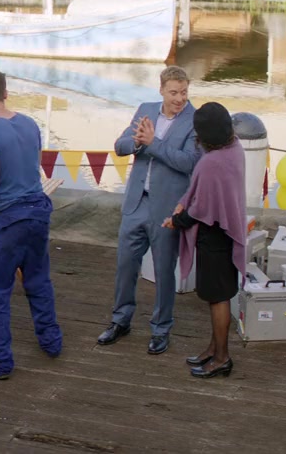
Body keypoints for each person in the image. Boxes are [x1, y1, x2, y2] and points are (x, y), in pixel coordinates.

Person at [0, 70, 61, 380]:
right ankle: (51, 342)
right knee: (38, 280)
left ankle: (0, 362)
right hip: (38, 212)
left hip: (8, 220)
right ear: (6, 93)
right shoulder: (30, 124)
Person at [98, 66, 201, 355]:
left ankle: (161, 328)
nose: (179, 98)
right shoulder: (145, 109)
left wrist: (152, 143)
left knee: (164, 271)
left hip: (167, 208)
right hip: (136, 202)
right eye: (174, 92)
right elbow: (120, 146)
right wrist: (136, 142)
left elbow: (188, 162)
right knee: (125, 265)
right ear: (161, 90)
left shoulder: (195, 120)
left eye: (184, 92)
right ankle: (121, 320)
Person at [164, 102, 246, 378]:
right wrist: (184, 203)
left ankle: (222, 358)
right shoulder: (235, 148)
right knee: (217, 296)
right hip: (228, 231)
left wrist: (176, 220)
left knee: (217, 298)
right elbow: (204, 194)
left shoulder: (212, 162)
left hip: (215, 236)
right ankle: (213, 348)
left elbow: (201, 209)